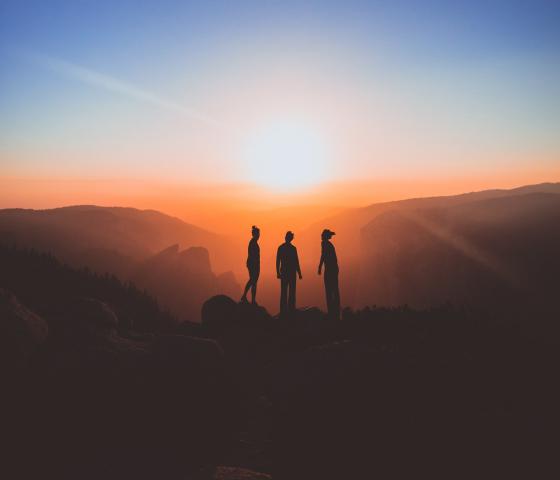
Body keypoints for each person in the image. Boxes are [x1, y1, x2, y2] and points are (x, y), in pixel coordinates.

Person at [276, 231, 302, 315]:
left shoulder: (281, 248)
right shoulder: (293, 249)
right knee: (292, 292)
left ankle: (283, 311)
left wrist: (278, 272)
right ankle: (291, 310)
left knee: (284, 292)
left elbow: (277, 261)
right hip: (291, 273)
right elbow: (296, 262)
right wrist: (299, 273)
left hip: (284, 272)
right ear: (291, 239)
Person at [318, 228, 340, 319]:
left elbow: (323, 255)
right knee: (334, 289)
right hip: (333, 269)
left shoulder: (325, 244)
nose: (331, 236)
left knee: (329, 290)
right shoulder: (329, 244)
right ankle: (335, 311)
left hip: (330, 269)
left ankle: (332, 312)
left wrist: (320, 267)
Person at [241, 225, 260, 304]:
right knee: (253, 281)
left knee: (252, 281)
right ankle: (252, 300)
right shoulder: (253, 243)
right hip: (253, 265)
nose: (259, 235)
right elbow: (253, 255)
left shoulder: (253, 242)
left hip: (252, 264)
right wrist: (255, 265)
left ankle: (246, 296)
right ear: (254, 234)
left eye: (259, 234)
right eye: (258, 234)